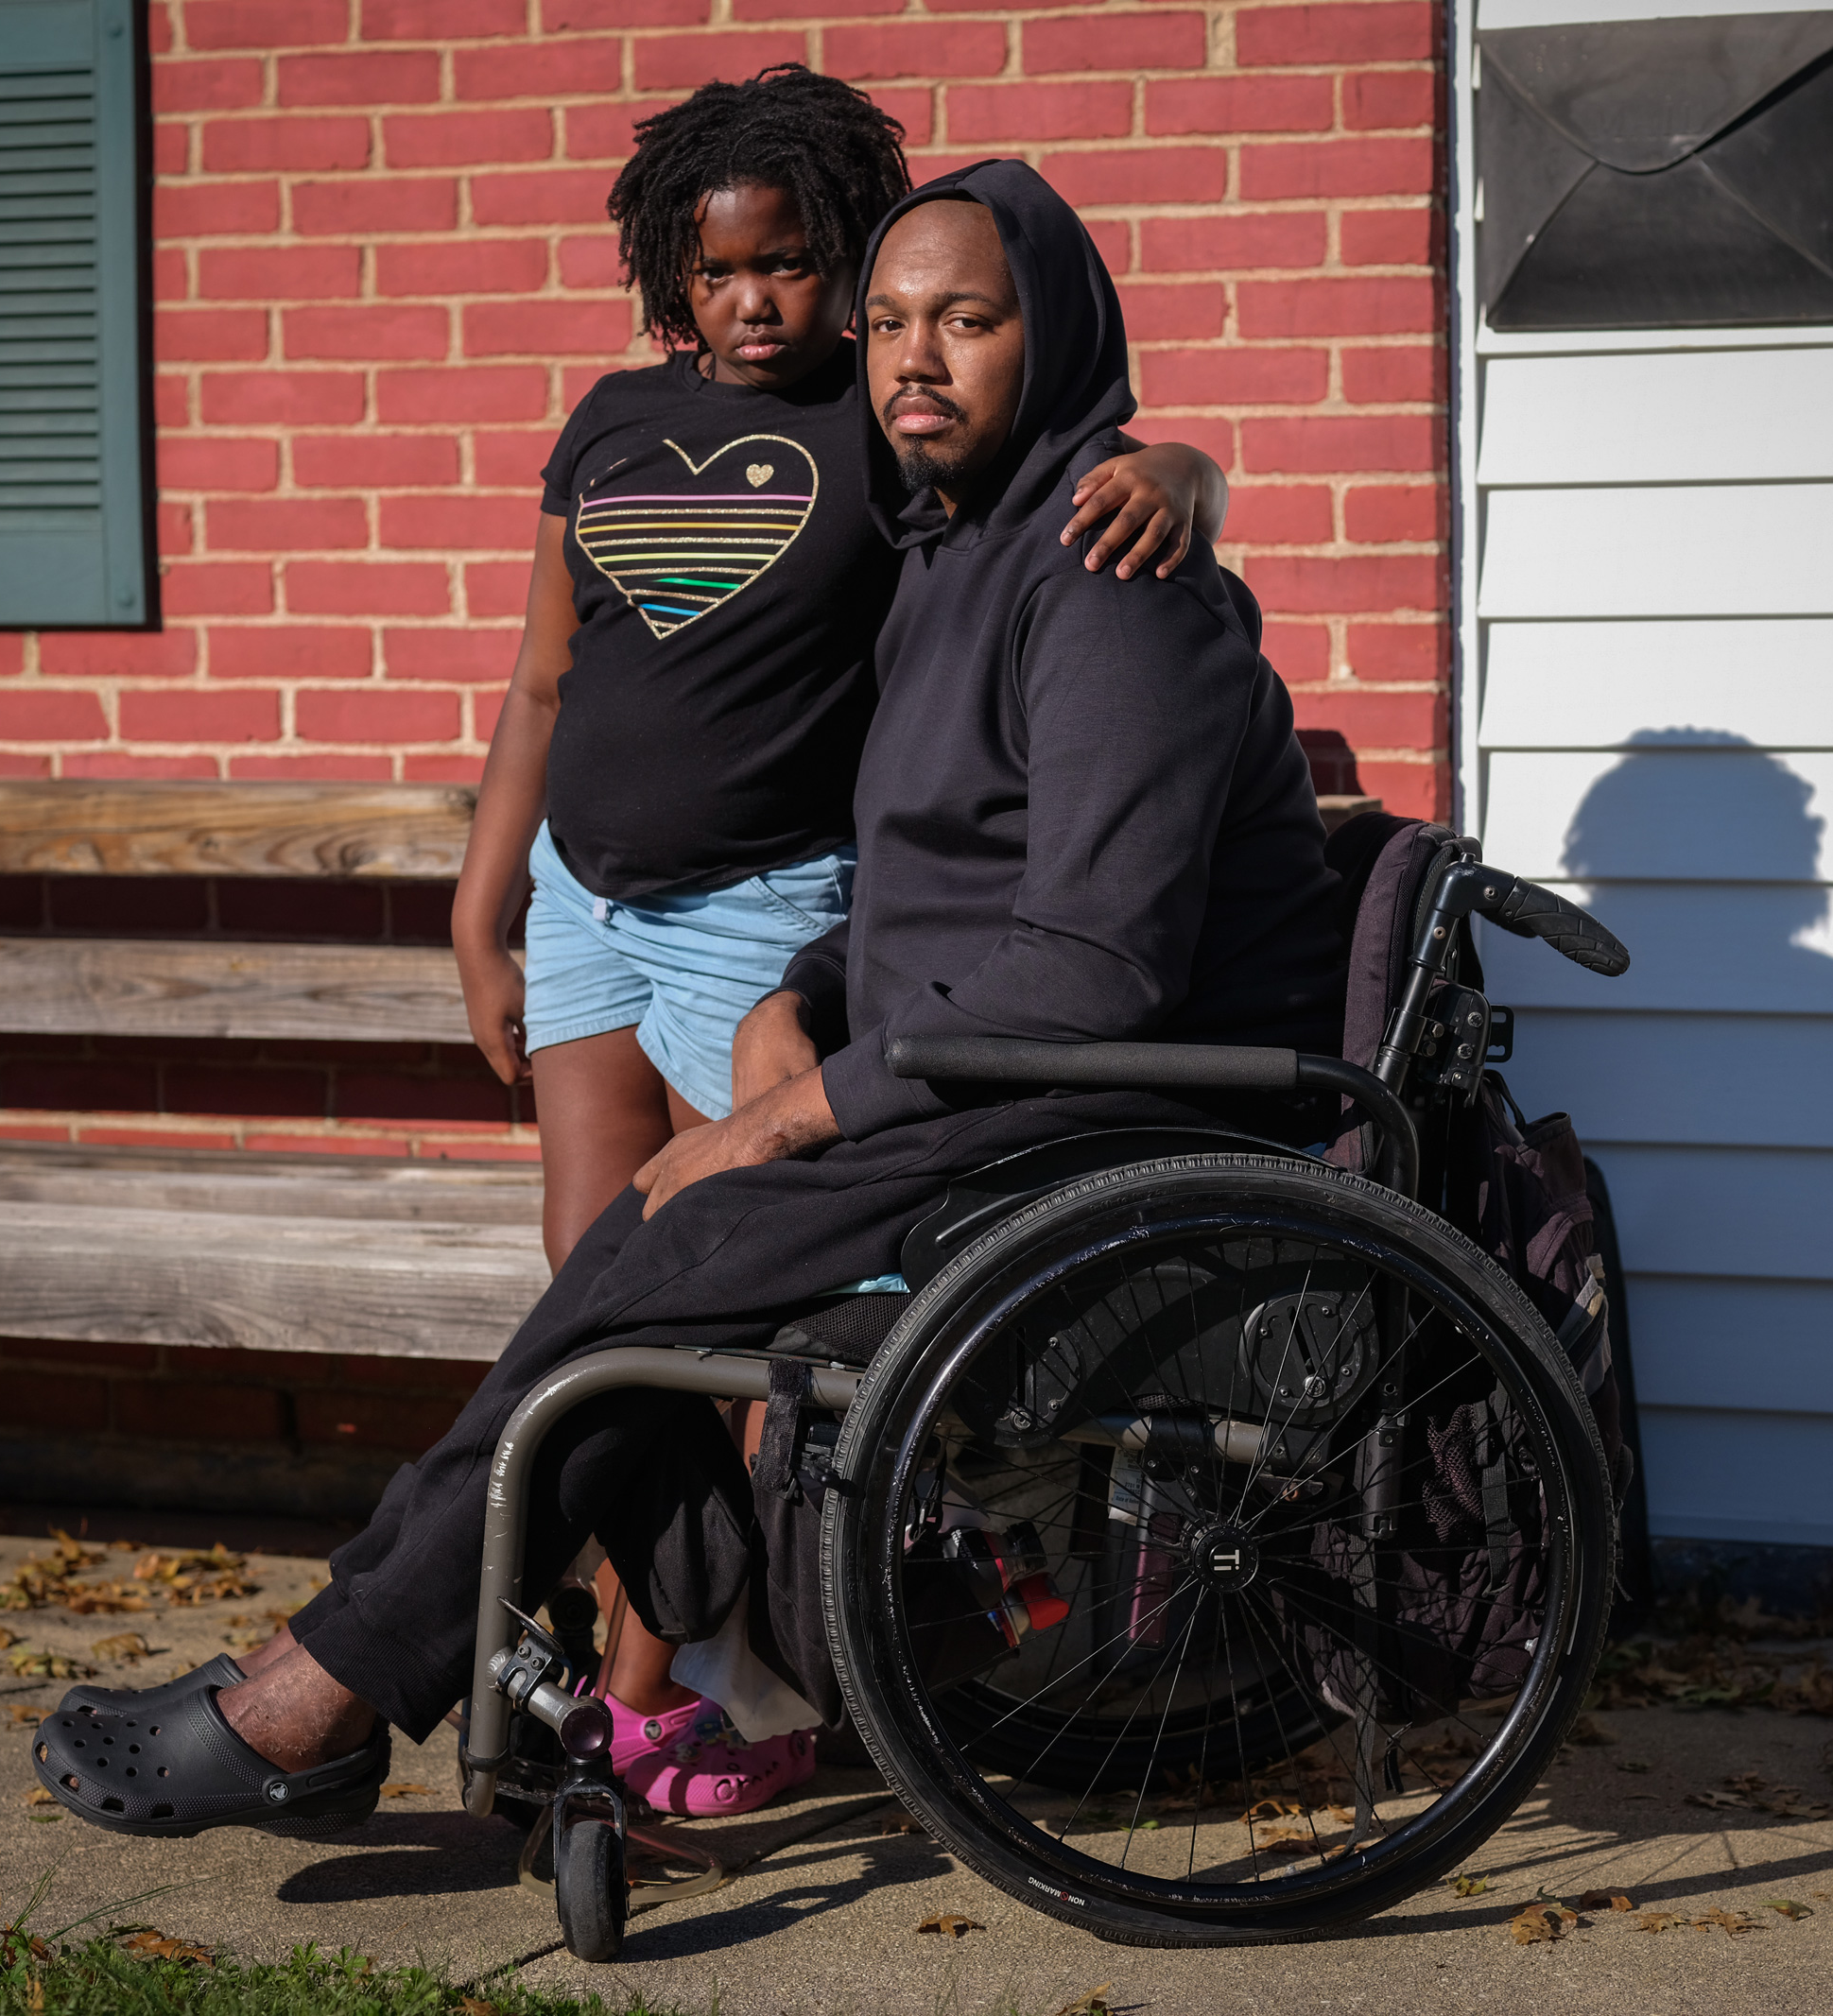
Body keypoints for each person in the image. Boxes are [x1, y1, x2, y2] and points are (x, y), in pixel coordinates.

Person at [32, 157, 1342, 1844]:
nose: (911, 361)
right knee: (636, 1270)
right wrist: (795, 998)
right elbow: (933, 871)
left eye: (967, 319)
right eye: (884, 323)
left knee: (654, 1260)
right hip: (964, 1072)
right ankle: (515, 1673)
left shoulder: (1109, 583)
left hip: (1098, 1112)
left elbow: (1097, 970)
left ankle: (326, 1688)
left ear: (1059, 331)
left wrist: (795, 1110)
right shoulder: (955, 553)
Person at [442, 65, 1228, 1814]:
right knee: (598, 1285)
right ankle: (661, 1650)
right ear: (667, 270)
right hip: (583, 905)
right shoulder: (611, 419)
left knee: (699, 1297)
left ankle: (670, 1691)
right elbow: (540, 676)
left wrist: (1192, 466)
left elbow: (1052, 455)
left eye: (792, 266)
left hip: (762, 913)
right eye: (717, 272)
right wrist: (479, 905)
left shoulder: (876, 436)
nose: (753, 303)